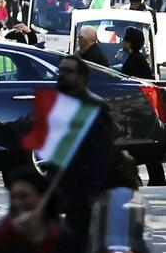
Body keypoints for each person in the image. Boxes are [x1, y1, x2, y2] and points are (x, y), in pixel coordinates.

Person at [52, 55, 115, 250]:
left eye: (68, 71)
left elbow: (101, 152)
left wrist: (95, 190)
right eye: (60, 71)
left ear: (82, 77)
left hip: (85, 189)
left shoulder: (94, 106)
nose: (62, 75)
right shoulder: (62, 104)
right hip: (65, 188)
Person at [0, 165, 73, 253]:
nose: (17, 202)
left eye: (24, 196)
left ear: (42, 197)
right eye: (13, 197)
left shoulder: (62, 238)